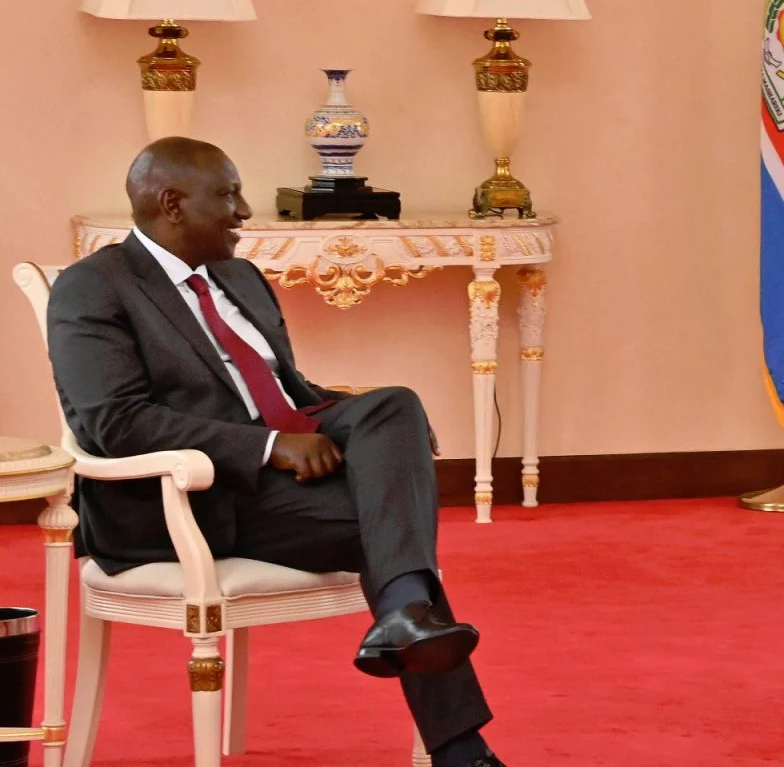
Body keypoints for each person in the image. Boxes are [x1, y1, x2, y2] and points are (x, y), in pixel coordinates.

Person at [47, 137, 504, 767]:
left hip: (275, 490)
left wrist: (372, 433)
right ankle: (459, 745)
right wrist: (266, 447)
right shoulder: (93, 286)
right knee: (391, 525)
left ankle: (405, 615)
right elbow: (114, 423)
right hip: (185, 500)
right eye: (228, 195)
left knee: (394, 406)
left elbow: (290, 392)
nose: (244, 210)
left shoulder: (239, 276)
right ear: (172, 203)